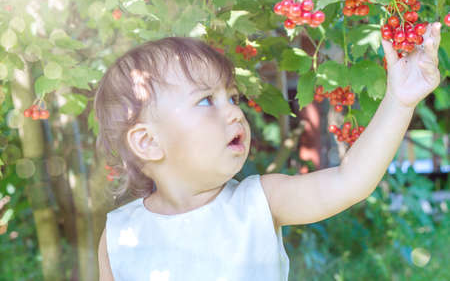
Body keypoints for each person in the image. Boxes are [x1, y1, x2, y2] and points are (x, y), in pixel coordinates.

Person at [95, 23, 442, 281]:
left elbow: (351, 181)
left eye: (232, 98)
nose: (234, 112)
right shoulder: (119, 236)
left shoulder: (260, 201)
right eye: (205, 101)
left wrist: (398, 100)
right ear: (148, 142)